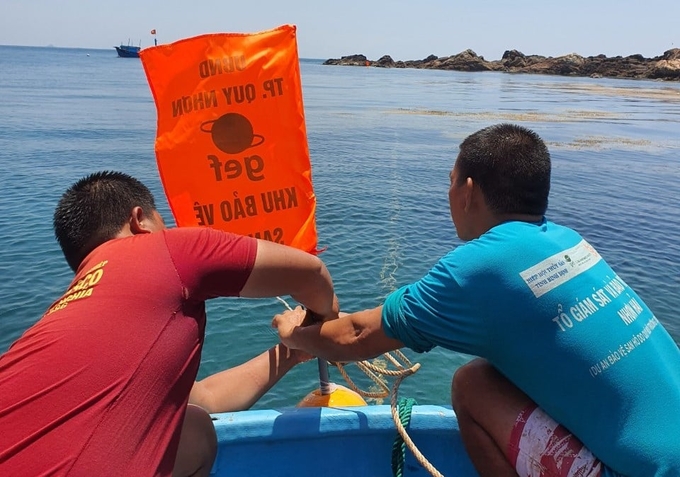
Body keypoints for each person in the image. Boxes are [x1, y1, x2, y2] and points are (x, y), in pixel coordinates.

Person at [273, 123, 680, 477]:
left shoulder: (479, 268)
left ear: (467, 192)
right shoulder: (569, 243)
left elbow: (357, 336)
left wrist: (296, 336)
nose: (448, 193)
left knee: (472, 384)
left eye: (450, 181)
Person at [0, 171, 337, 477]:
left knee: (194, 429)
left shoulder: (56, 319)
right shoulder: (159, 248)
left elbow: (204, 398)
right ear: (139, 221)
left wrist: (292, 352)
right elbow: (311, 273)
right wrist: (323, 323)